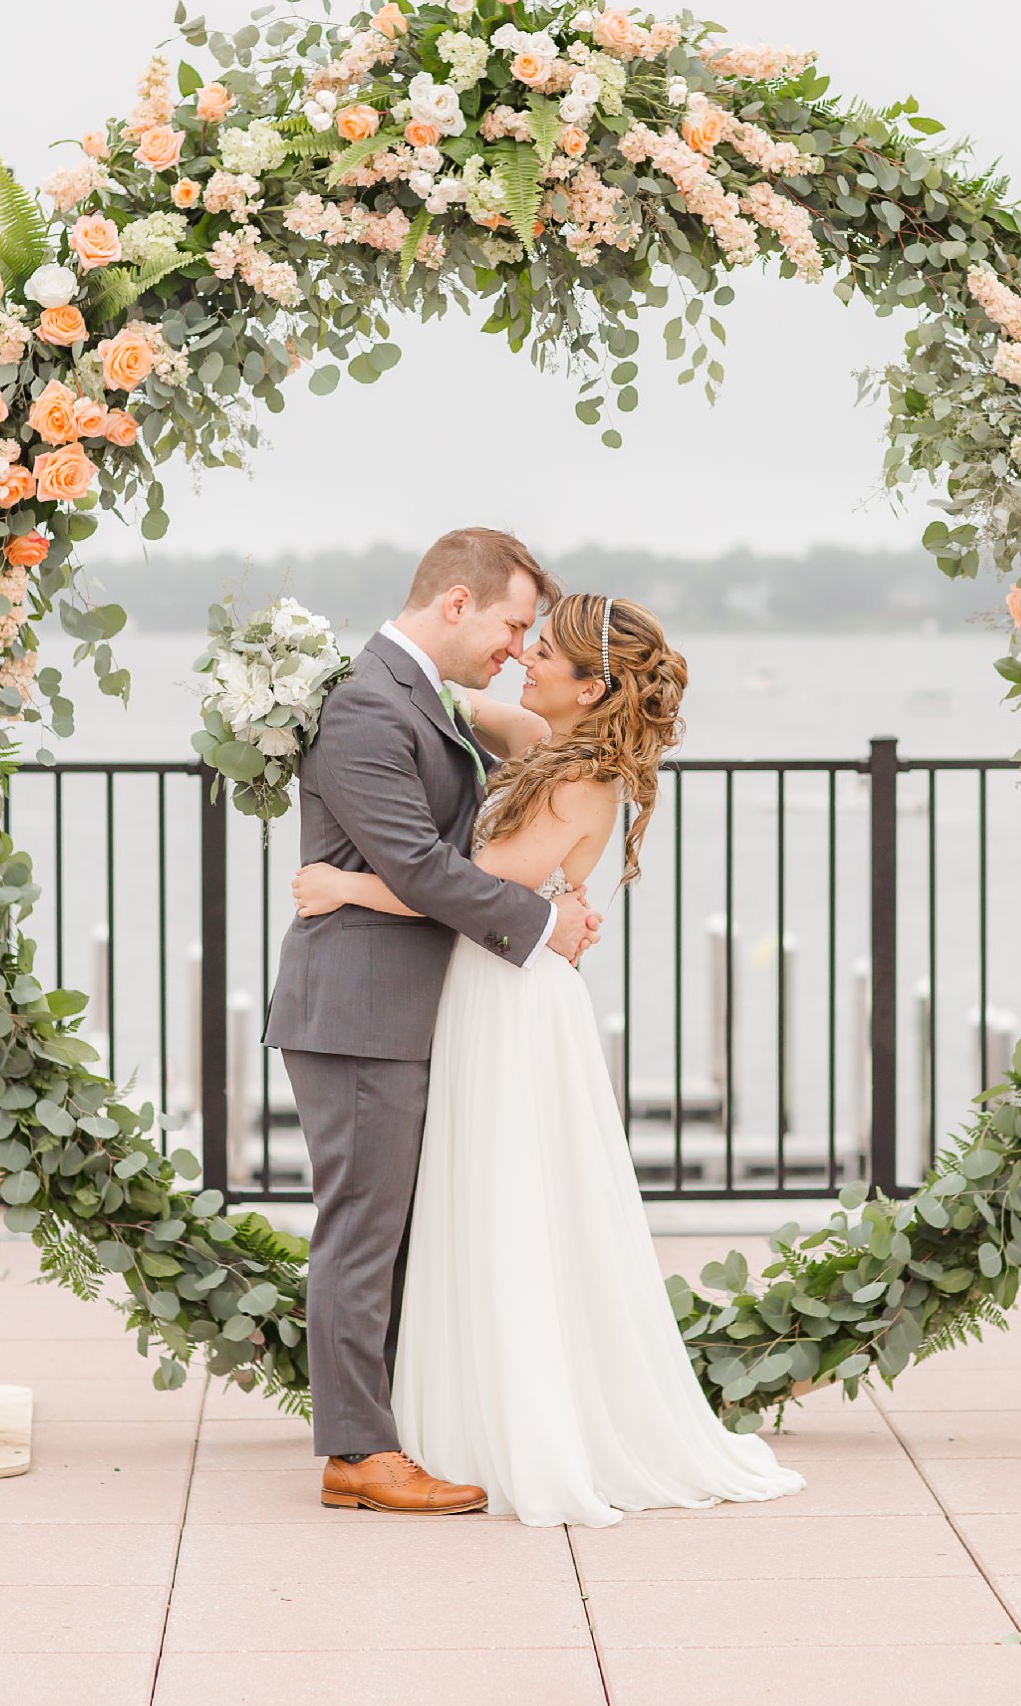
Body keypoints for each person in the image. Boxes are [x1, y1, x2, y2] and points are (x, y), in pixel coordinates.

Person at [292, 592, 803, 1528]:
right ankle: (450, 1413)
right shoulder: (543, 740)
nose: (526, 659)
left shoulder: (585, 777)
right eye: (523, 639)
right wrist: (316, 672)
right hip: (486, 986)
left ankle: (514, 1420)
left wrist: (343, 883)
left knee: (508, 1201)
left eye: (546, 652)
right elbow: (432, 688)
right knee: (470, 1200)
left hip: (512, 1001)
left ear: (594, 686)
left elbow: (472, 890)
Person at [264, 528, 602, 1517]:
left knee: (396, 1234)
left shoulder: (417, 692)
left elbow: (512, 773)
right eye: (507, 623)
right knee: (364, 1236)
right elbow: (418, 867)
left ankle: (390, 1426)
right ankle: (357, 1454)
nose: (512, 645)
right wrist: (545, 922)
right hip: (362, 1008)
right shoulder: (371, 704)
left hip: (401, 1002)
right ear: (454, 604)